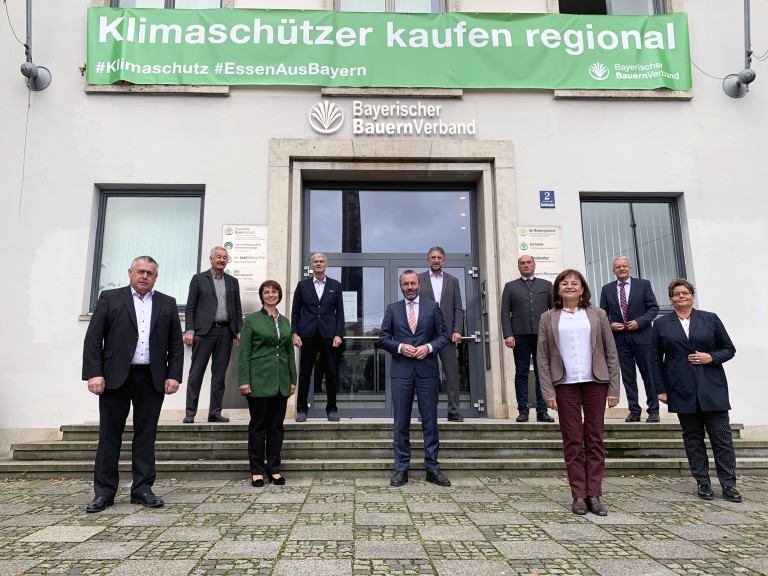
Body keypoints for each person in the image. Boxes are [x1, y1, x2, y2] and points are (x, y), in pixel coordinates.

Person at [82, 256, 184, 513]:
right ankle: (104, 492)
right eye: (140, 271)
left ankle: (142, 489)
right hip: (115, 377)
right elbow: (94, 339)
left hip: (152, 377)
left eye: (150, 273)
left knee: (146, 435)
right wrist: (94, 373)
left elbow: (175, 344)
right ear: (130, 272)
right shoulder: (110, 298)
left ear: (156, 277)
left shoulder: (167, 303)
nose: (144, 276)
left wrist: (174, 375)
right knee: (109, 435)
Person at [537, 269, 620, 517]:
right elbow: (542, 357)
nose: (570, 286)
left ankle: (594, 494)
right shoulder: (548, 317)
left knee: (595, 439)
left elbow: (611, 352)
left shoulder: (597, 314)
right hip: (565, 385)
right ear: (558, 289)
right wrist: (547, 390)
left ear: (582, 289)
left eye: (575, 283)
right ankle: (578, 496)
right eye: (565, 283)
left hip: (596, 382)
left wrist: (614, 388)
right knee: (572, 440)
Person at [651, 279, 740, 503]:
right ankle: (703, 482)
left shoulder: (710, 319)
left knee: (722, 439)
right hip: (681, 389)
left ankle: (729, 484)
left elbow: (729, 349)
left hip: (712, 388)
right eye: (676, 294)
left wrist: (711, 357)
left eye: (685, 293)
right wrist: (661, 389)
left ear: (692, 295)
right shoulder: (661, 325)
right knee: (693, 439)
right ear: (670, 299)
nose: (681, 296)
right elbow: (655, 360)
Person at [379, 271, 451, 487]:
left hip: (427, 371)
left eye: (412, 283)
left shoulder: (432, 308)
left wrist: (428, 348)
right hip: (401, 372)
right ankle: (401, 469)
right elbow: (383, 338)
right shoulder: (393, 309)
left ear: (419, 284)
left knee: (430, 422)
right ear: (401, 287)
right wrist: (400, 347)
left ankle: (432, 468)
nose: (409, 287)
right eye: (405, 284)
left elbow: (444, 336)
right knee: (401, 423)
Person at [238, 280, 296, 487]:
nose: (271, 295)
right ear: (261, 296)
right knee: (258, 428)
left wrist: (292, 379)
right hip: (259, 381)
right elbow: (244, 352)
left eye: (274, 291)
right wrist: (244, 380)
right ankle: (256, 471)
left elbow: (289, 352)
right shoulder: (252, 320)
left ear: (279, 295)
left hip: (281, 382)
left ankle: (274, 469)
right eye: (266, 292)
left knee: (276, 428)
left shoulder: (285, 321)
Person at [183, 246, 243, 423]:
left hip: (225, 332)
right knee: (196, 374)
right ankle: (190, 413)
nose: (222, 260)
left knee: (219, 375)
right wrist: (190, 330)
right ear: (211, 259)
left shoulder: (232, 281)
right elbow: (190, 307)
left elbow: (237, 308)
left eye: (225, 257)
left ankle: (214, 412)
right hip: (203, 333)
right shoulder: (198, 279)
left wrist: (239, 329)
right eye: (218, 257)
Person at [599, 257, 660, 423]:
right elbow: (602, 314)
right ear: (614, 270)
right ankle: (634, 410)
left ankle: (653, 410)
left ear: (630, 268)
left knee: (649, 374)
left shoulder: (644, 285)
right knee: (628, 377)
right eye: (618, 267)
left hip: (643, 337)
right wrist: (611, 325)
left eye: (624, 266)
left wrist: (640, 322)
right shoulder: (607, 289)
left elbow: (653, 308)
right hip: (620, 340)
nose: (621, 269)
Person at [500, 255, 555, 423]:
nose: (526, 265)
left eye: (528, 262)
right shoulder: (510, 287)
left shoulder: (547, 285)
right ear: (518, 266)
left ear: (534, 264)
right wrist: (508, 334)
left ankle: (542, 411)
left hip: (542, 336)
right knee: (521, 373)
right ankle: (523, 410)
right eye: (522, 263)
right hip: (519, 336)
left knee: (542, 374)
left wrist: (553, 335)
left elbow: (554, 311)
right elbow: (504, 312)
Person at [291, 253, 345, 422]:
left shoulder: (335, 286)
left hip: (329, 335)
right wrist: (294, 332)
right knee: (305, 373)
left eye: (321, 261)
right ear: (312, 265)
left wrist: (338, 334)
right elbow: (295, 311)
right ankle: (301, 410)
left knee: (331, 373)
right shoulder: (302, 285)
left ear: (326, 264)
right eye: (316, 261)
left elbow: (340, 314)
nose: (319, 263)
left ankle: (332, 409)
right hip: (307, 334)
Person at [418, 247, 466, 422]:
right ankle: (426, 412)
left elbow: (458, 308)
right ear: (428, 260)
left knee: (451, 374)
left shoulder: (453, 281)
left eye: (439, 257)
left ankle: (453, 411)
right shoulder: (419, 279)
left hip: (447, 335)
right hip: (425, 335)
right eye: (433, 257)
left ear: (444, 260)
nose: (436, 260)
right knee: (425, 376)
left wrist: (457, 329)